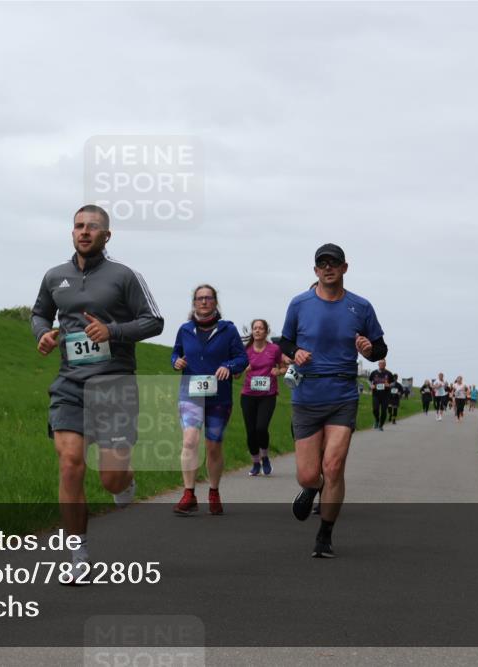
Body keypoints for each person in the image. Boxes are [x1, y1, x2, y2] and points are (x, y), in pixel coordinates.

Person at [31, 204, 163, 583]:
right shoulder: (55, 276)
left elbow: (154, 321)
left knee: (111, 479)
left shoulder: (124, 276)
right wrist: (42, 334)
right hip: (70, 385)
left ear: (107, 235)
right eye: (78, 226)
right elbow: (39, 313)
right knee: (70, 463)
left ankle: (127, 483)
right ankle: (78, 553)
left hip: (115, 385)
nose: (84, 232)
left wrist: (113, 332)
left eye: (92, 227)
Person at [279, 243, 387, 558]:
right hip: (307, 394)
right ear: (315, 270)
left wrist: (369, 350)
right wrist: (294, 352)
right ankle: (312, 488)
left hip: (342, 393)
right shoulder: (299, 304)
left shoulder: (361, 307)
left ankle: (325, 534)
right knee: (309, 473)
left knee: (334, 465)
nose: (328, 268)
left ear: (344, 268)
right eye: (322, 264)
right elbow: (285, 340)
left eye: (334, 264)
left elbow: (380, 348)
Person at [171, 285, 248, 515]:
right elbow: (175, 353)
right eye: (199, 298)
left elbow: (241, 358)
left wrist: (228, 365)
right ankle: (189, 493)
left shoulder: (228, 330)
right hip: (190, 394)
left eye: (208, 298)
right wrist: (176, 362)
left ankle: (213, 491)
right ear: (194, 303)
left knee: (213, 446)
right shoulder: (185, 330)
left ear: (215, 302)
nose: (204, 302)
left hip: (219, 396)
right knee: (190, 440)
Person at [240, 319, 289, 476]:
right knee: (251, 432)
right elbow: (235, 375)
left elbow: (284, 366)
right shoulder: (245, 351)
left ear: (266, 332)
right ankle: (255, 462)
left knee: (261, 428)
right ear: (252, 331)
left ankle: (265, 457)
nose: (258, 331)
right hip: (248, 395)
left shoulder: (274, 349)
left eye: (261, 328)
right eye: (255, 328)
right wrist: (242, 369)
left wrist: (279, 372)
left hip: (268, 395)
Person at [368, 359, 392, 431]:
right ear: (378, 364)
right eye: (380, 364)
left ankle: (381, 425)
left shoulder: (388, 373)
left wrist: (389, 385)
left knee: (384, 411)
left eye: (383, 364)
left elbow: (393, 383)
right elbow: (369, 380)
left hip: (385, 395)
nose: (381, 365)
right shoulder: (374, 373)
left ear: (385, 365)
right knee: (375, 409)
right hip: (376, 394)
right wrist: (371, 385)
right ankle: (377, 420)